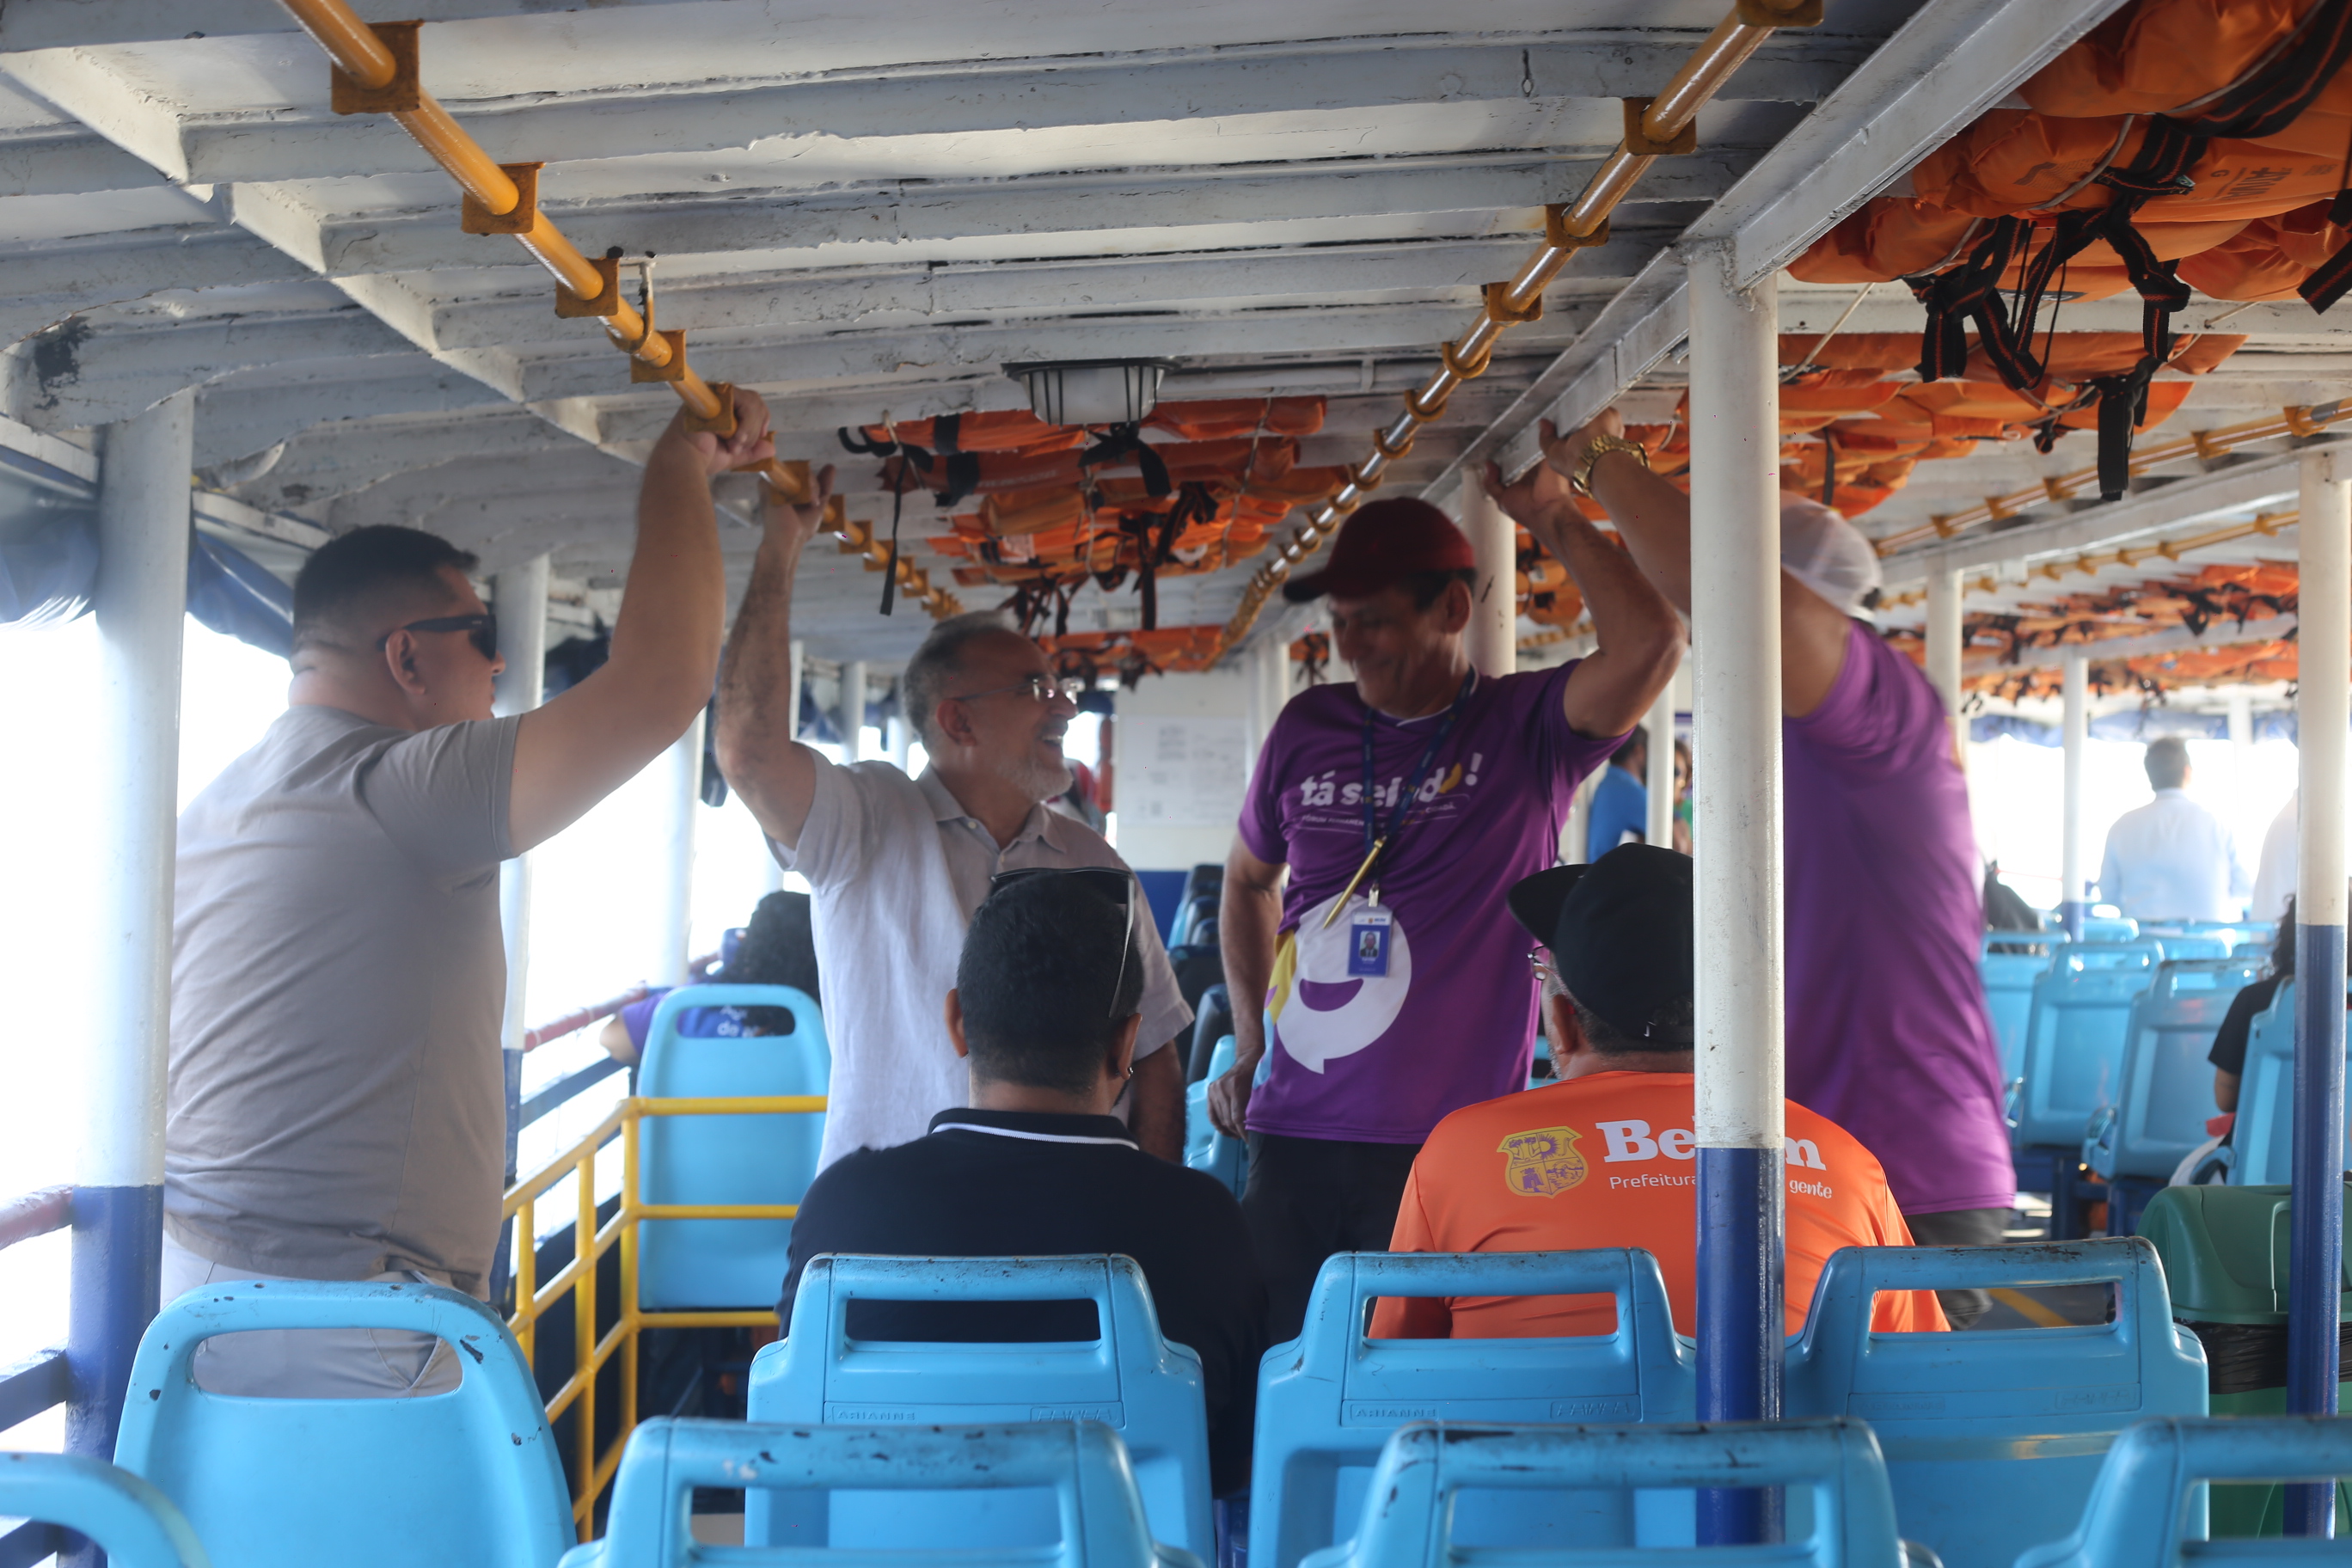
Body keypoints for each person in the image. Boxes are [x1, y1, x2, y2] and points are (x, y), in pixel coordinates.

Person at [165, 386, 776, 1397]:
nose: (502, 663)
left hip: (203, 1296)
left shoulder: (225, 797)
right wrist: (681, 463)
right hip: (345, 1319)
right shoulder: (396, 785)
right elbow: (665, 682)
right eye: (482, 634)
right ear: (406, 655)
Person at [1545, 409, 2012, 1327]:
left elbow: (1740, 597)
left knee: (1901, 1463)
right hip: (1806, 1160)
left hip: (1905, 1168)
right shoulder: (1776, 756)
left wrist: (1601, 463)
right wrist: (1558, 518)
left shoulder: (1885, 719)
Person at [1211, 486, 1683, 1342]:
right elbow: (1247, 883)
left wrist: (1557, 515)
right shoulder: (1305, 726)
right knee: (1274, 1374)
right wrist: (1250, 1043)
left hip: (1450, 1142)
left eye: (1374, 622)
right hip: (1292, 1129)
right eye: (1340, 623)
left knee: (1423, 1380)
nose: (1349, 647)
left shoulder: (1525, 731)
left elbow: (1653, 643)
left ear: (1454, 607)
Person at [716, 490, 1192, 1169]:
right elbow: (749, 755)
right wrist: (780, 548)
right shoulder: (867, 821)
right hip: (889, 1224)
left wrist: (1151, 1211)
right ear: (958, 723)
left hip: (1072, 1222)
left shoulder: (1095, 864)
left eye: (1059, 687)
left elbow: (1156, 1055)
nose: (1062, 705)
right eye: (1035, 689)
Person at [778, 870, 1266, 1497]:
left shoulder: (841, 1210)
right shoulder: (1206, 1224)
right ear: (1125, 1045)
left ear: (956, 1021)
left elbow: (797, 1437)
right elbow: (1226, 1468)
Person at [1373, 846, 1944, 1338]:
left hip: (1520, 1466)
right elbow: (1917, 1372)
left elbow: (1390, 1368)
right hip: (1789, 1468)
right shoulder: (1844, 1161)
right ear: (1742, 1015)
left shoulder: (1462, 1151)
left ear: (1563, 1021)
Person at [600, 890, 823, 1065]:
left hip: (688, 1122)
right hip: (790, 1123)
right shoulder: (824, 1022)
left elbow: (611, 1040)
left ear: (752, 943)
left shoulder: (693, 1004)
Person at [2096, 737, 2246, 922]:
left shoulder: (2121, 826)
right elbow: (2244, 887)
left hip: (2144, 946)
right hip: (2209, 944)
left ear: (2150, 775)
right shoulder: (2218, 823)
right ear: (2187, 772)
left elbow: (2108, 892)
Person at [1583, 726, 1650, 861]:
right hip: (1615, 879)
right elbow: (1678, 842)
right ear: (1639, 751)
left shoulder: (1608, 785)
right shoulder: (1629, 791)